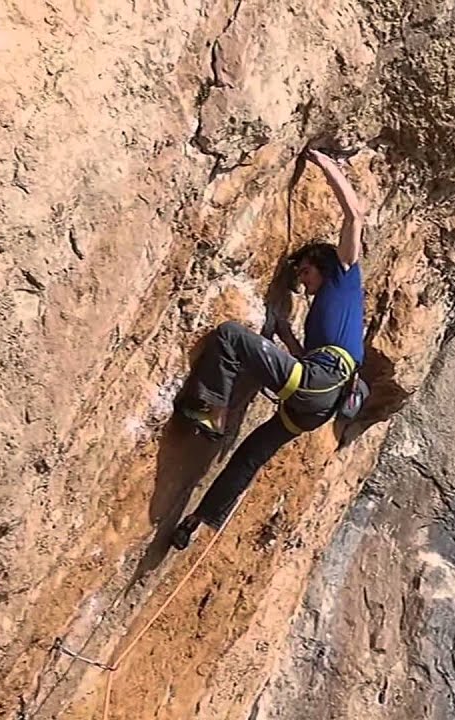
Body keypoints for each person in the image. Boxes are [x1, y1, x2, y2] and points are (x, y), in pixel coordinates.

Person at [170, 147, 368, 550]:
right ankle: (196, 521)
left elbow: (355, 216)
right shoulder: (326, 316)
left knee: (230, 335)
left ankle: (210, 410)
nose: (304, 282)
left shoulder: (344, 276)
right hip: (318, 402)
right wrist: (283, 334)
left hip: (319, 382)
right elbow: (304, 362)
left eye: (306, 271)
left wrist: (326, 166)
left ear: (324, 265)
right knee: (251, 454)